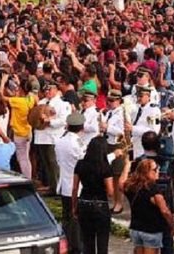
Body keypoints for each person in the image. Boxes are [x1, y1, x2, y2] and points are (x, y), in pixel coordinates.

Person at [73, 137, 120, 254]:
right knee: (102, 242)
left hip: (84, 202)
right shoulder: (105, 167)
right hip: (100, 204)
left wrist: (74, 207)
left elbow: (74, 188)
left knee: (87, 242)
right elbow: (110, 191)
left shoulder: (80, 164)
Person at [124, 159, 174, 254]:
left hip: (136, 228)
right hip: (151, 230)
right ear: (146, 172)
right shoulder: (153, 189)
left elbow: (121, 183)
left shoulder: (132, 187)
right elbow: (164, 210)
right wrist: (172, 226)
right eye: (155, 169)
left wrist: (127, 166)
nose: (158, 171)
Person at [33, 81, 72, 195]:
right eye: (45, 90)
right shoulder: (41, 102)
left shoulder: (62, 104)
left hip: (53, 137)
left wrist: (50, 121)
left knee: (53, 163)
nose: (47, 92)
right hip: (41, 136)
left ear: (56, 90)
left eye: (49, 90)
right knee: (46, 163)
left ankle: (58, 188)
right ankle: (52, 186)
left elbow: (64, 120)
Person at [55, 111, 86, 254]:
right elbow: (85, 161)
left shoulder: (60, 140)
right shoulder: (78, 142)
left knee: (67, 217)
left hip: (64, 184)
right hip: (76, 186)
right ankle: (76, 247)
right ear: (82, 127)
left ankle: (66, 244)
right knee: (76, 220)